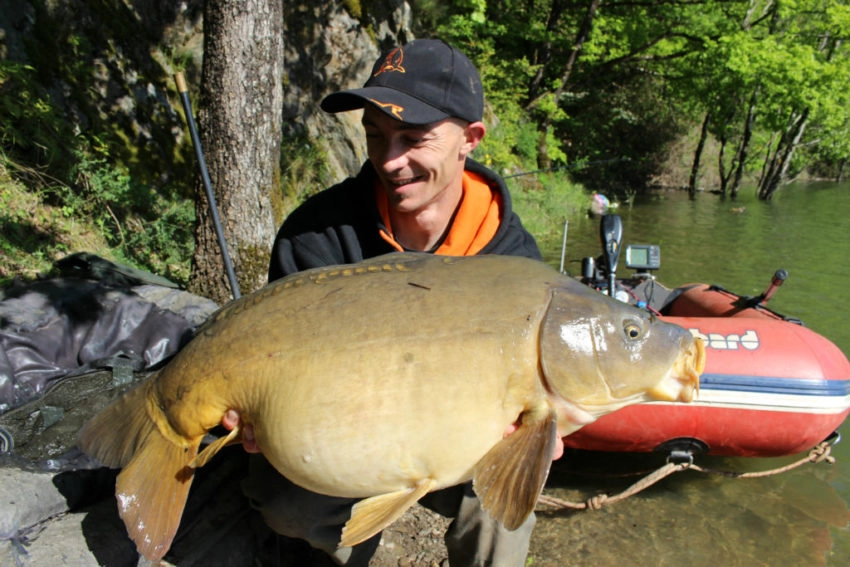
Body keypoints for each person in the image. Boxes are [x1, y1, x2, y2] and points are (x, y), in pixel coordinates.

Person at [239, 38, 555, 566]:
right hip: (354, 429)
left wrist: (544, 434)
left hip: (464, 443)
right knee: (287, 499)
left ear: (469, 139)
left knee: (505, 506)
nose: (391, 160)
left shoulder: (515, 260)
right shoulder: (316, 236)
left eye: (413, 138)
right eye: (375, 135)